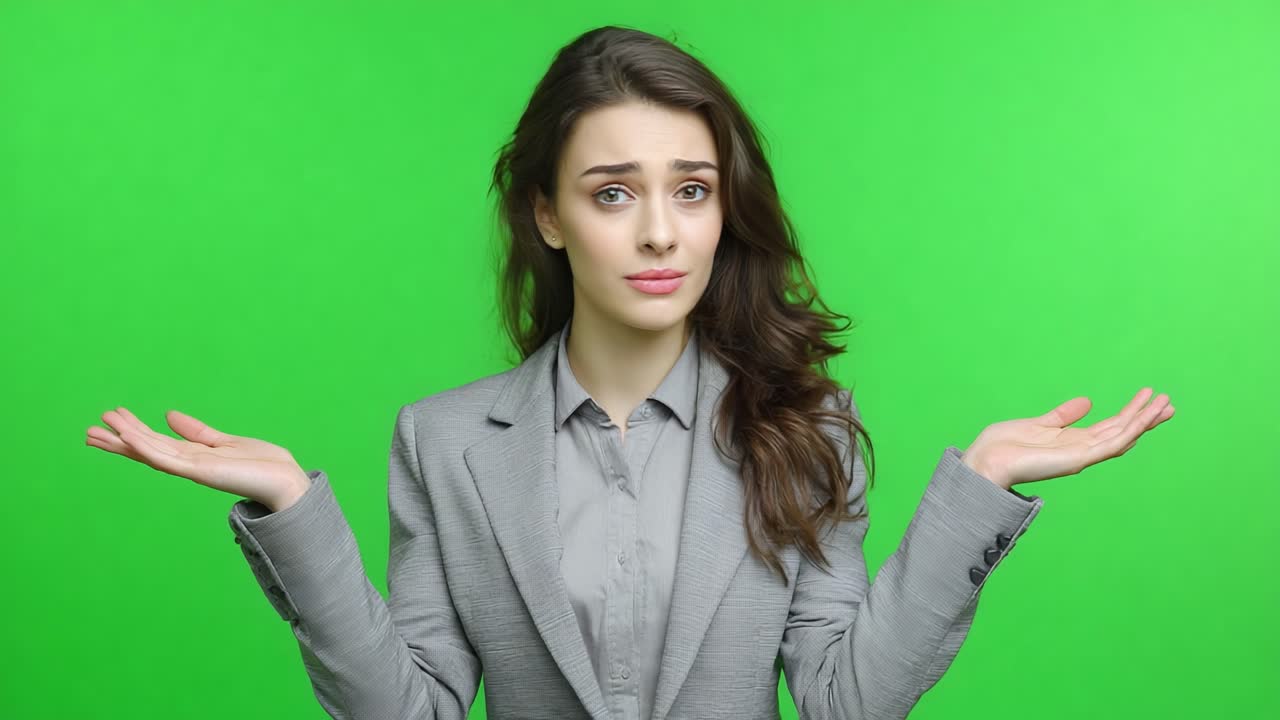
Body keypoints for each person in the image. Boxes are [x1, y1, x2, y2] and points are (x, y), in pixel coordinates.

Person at [84, 24, 1175, 720]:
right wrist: (292, 510)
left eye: (690, 190)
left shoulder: (807, 425)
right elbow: (408, 711)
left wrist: (977, 486)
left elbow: (845, 701)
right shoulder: (443, 441)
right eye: (613, 192)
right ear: (546, 214)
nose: (660, 233)